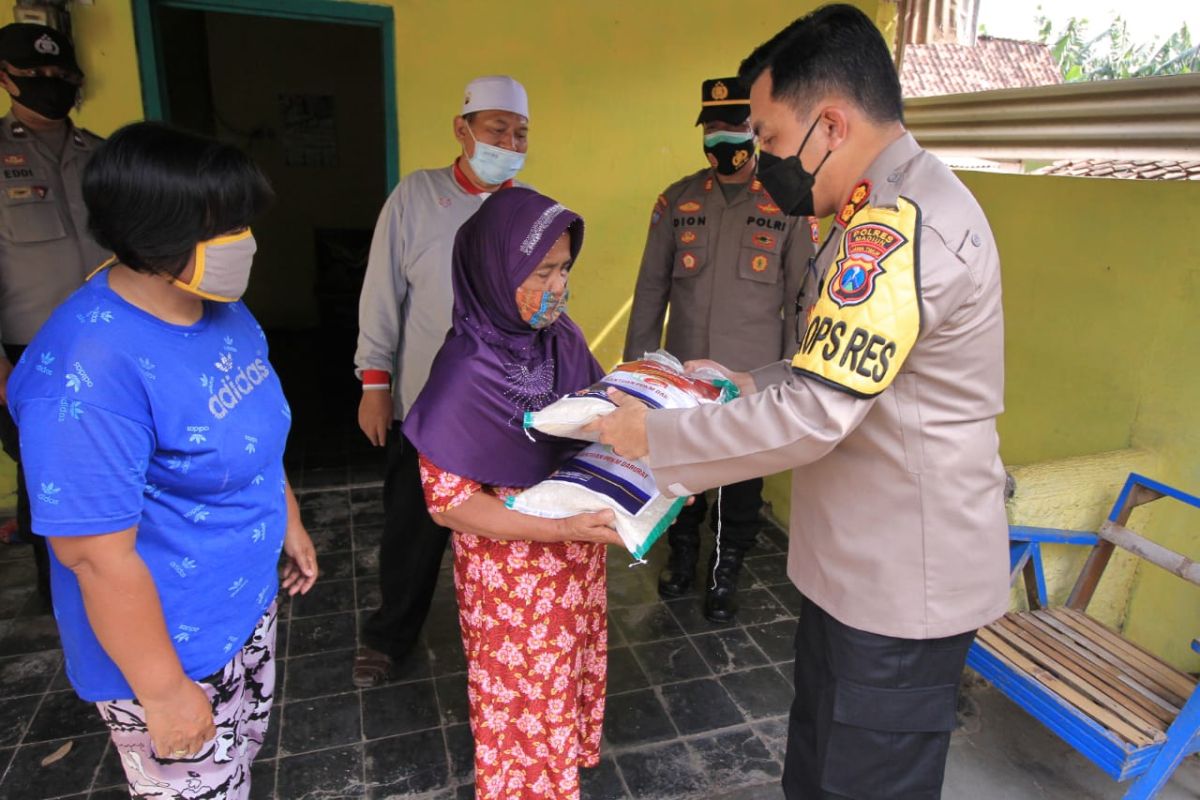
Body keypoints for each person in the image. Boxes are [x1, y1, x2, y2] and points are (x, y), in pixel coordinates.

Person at [592, 5, 1008, 798]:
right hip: (856, 568)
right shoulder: (872, 209)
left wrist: (656, 438)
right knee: (817, 771)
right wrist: (744, 382)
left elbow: (819, 412)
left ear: (830, 124)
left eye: (773, 141)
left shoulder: (899, 227)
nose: (762, 158)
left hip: (899, 584)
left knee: (860, 783)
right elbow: (832, 373)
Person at [7, 122, 318, 799]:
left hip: (241, 606)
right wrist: (166, 691)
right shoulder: (86, 374)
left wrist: (285, 517)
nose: (246, 240)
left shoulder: (221, 308)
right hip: (169, 650)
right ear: (152, 235)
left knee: (238, 769)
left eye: (244, 220)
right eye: (224, 226)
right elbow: (95, 556)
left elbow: (254, 431)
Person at [402, 187, 620, 800]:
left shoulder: (563, 339)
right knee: (523, 708)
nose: (558, 284)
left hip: (575, 565)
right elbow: (449, 503)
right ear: (495, 270)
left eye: (565, 268)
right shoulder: (463, 372)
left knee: (561, 688)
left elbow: (596, 416)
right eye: (542, 270)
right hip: (514, 582)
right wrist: (558, 531)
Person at [353, 75, 530, 687]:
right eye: (496, 129)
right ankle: (388, 637)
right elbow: (382, 294)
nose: (509, 142)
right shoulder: (415, 196)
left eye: (520, 133)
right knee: (412, 530)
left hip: (503, 407)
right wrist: (375, 385)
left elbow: (545, 298)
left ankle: (501, 643)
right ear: (463, 129)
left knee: (502, 535)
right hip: (425, 408)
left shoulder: (527, 210)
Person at [623, 75, 813, 622]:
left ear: (754, 131)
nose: (721, 141)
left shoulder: (789, 204)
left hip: (751, 377)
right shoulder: (677, 201)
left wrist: (790, 376)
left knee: (741, 481)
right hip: (682, 373)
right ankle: (682, 556)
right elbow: (651, 290)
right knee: (682, 471)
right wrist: (641, 369)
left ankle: (726, 568)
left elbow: (803, 298)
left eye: (733, 128)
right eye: (712, 129)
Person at [0, 22, 107, 606]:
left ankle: (124, 577)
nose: (50, 85)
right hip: (31, 349)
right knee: (46, 477)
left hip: (109, 342)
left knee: (120, 457)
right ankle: (61, 596)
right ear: (6, 78)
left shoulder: (102, 154)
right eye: (36, 76)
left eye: (62, 77)